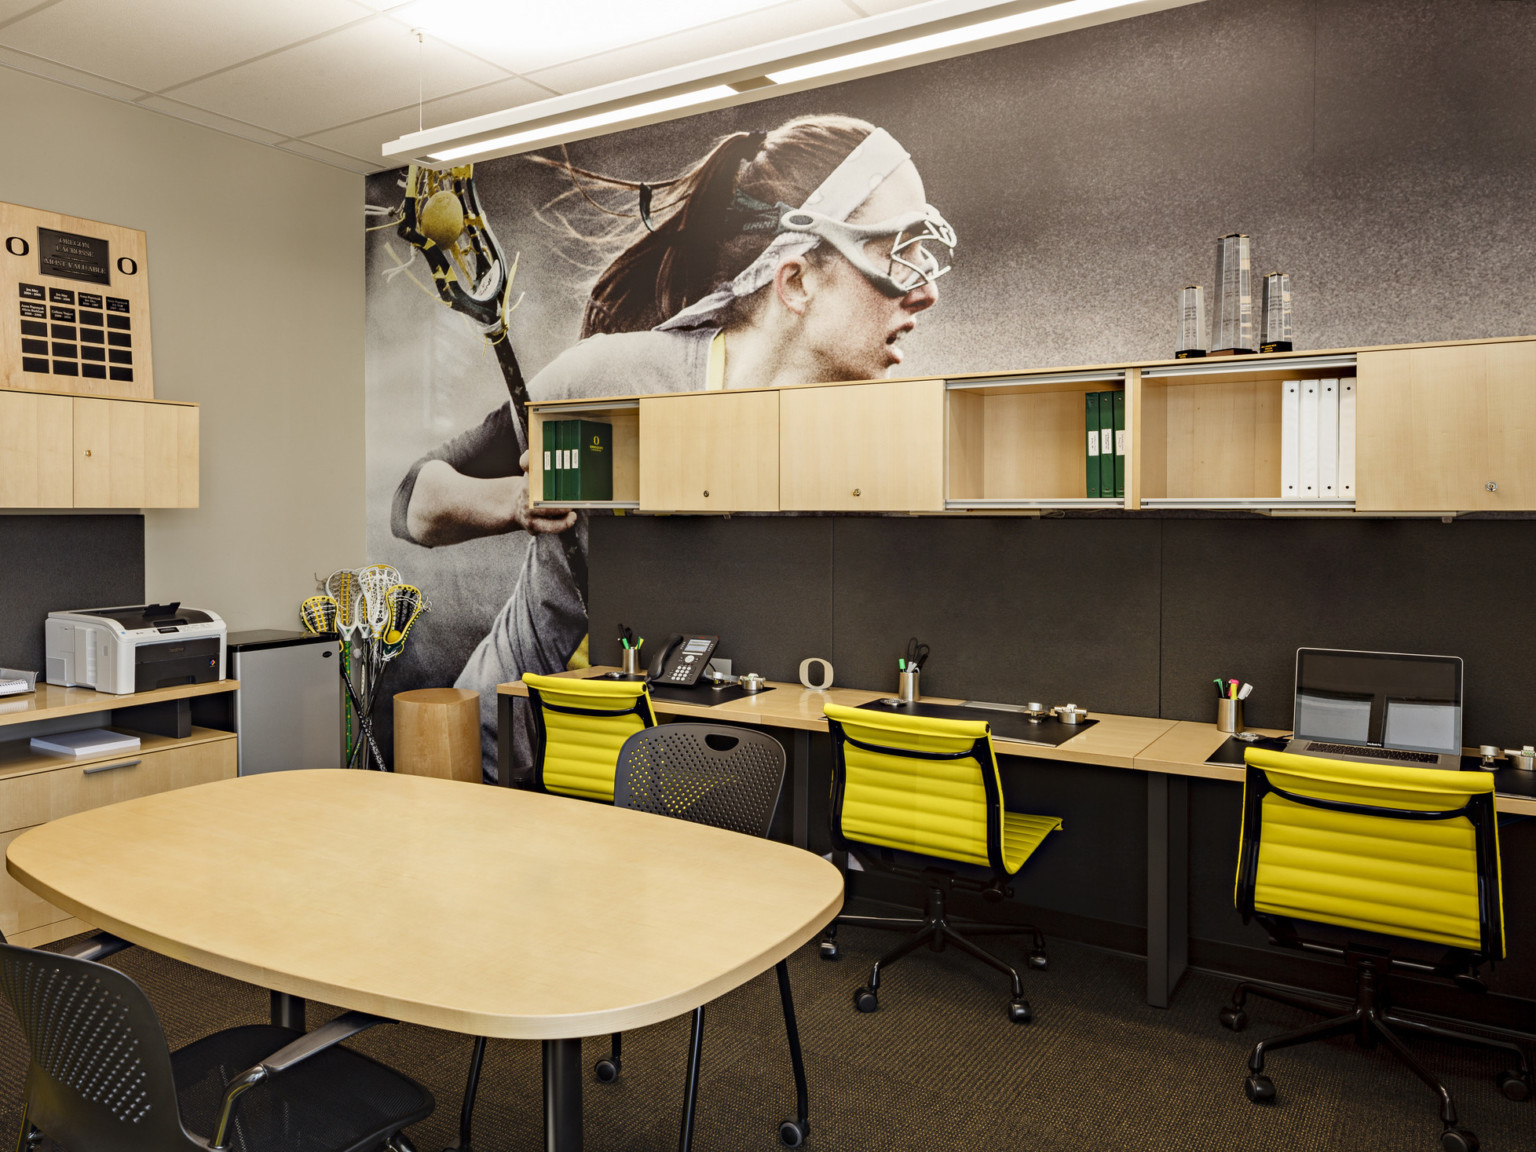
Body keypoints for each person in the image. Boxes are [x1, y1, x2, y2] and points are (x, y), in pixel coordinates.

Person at [392, 113, 956, 780]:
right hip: (512, 759)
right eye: (896, 254)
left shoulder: (858, 440)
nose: (926, 289)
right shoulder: (605, 379)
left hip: (672, 775)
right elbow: (413, 505)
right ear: (797, 281)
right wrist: (516, 499)